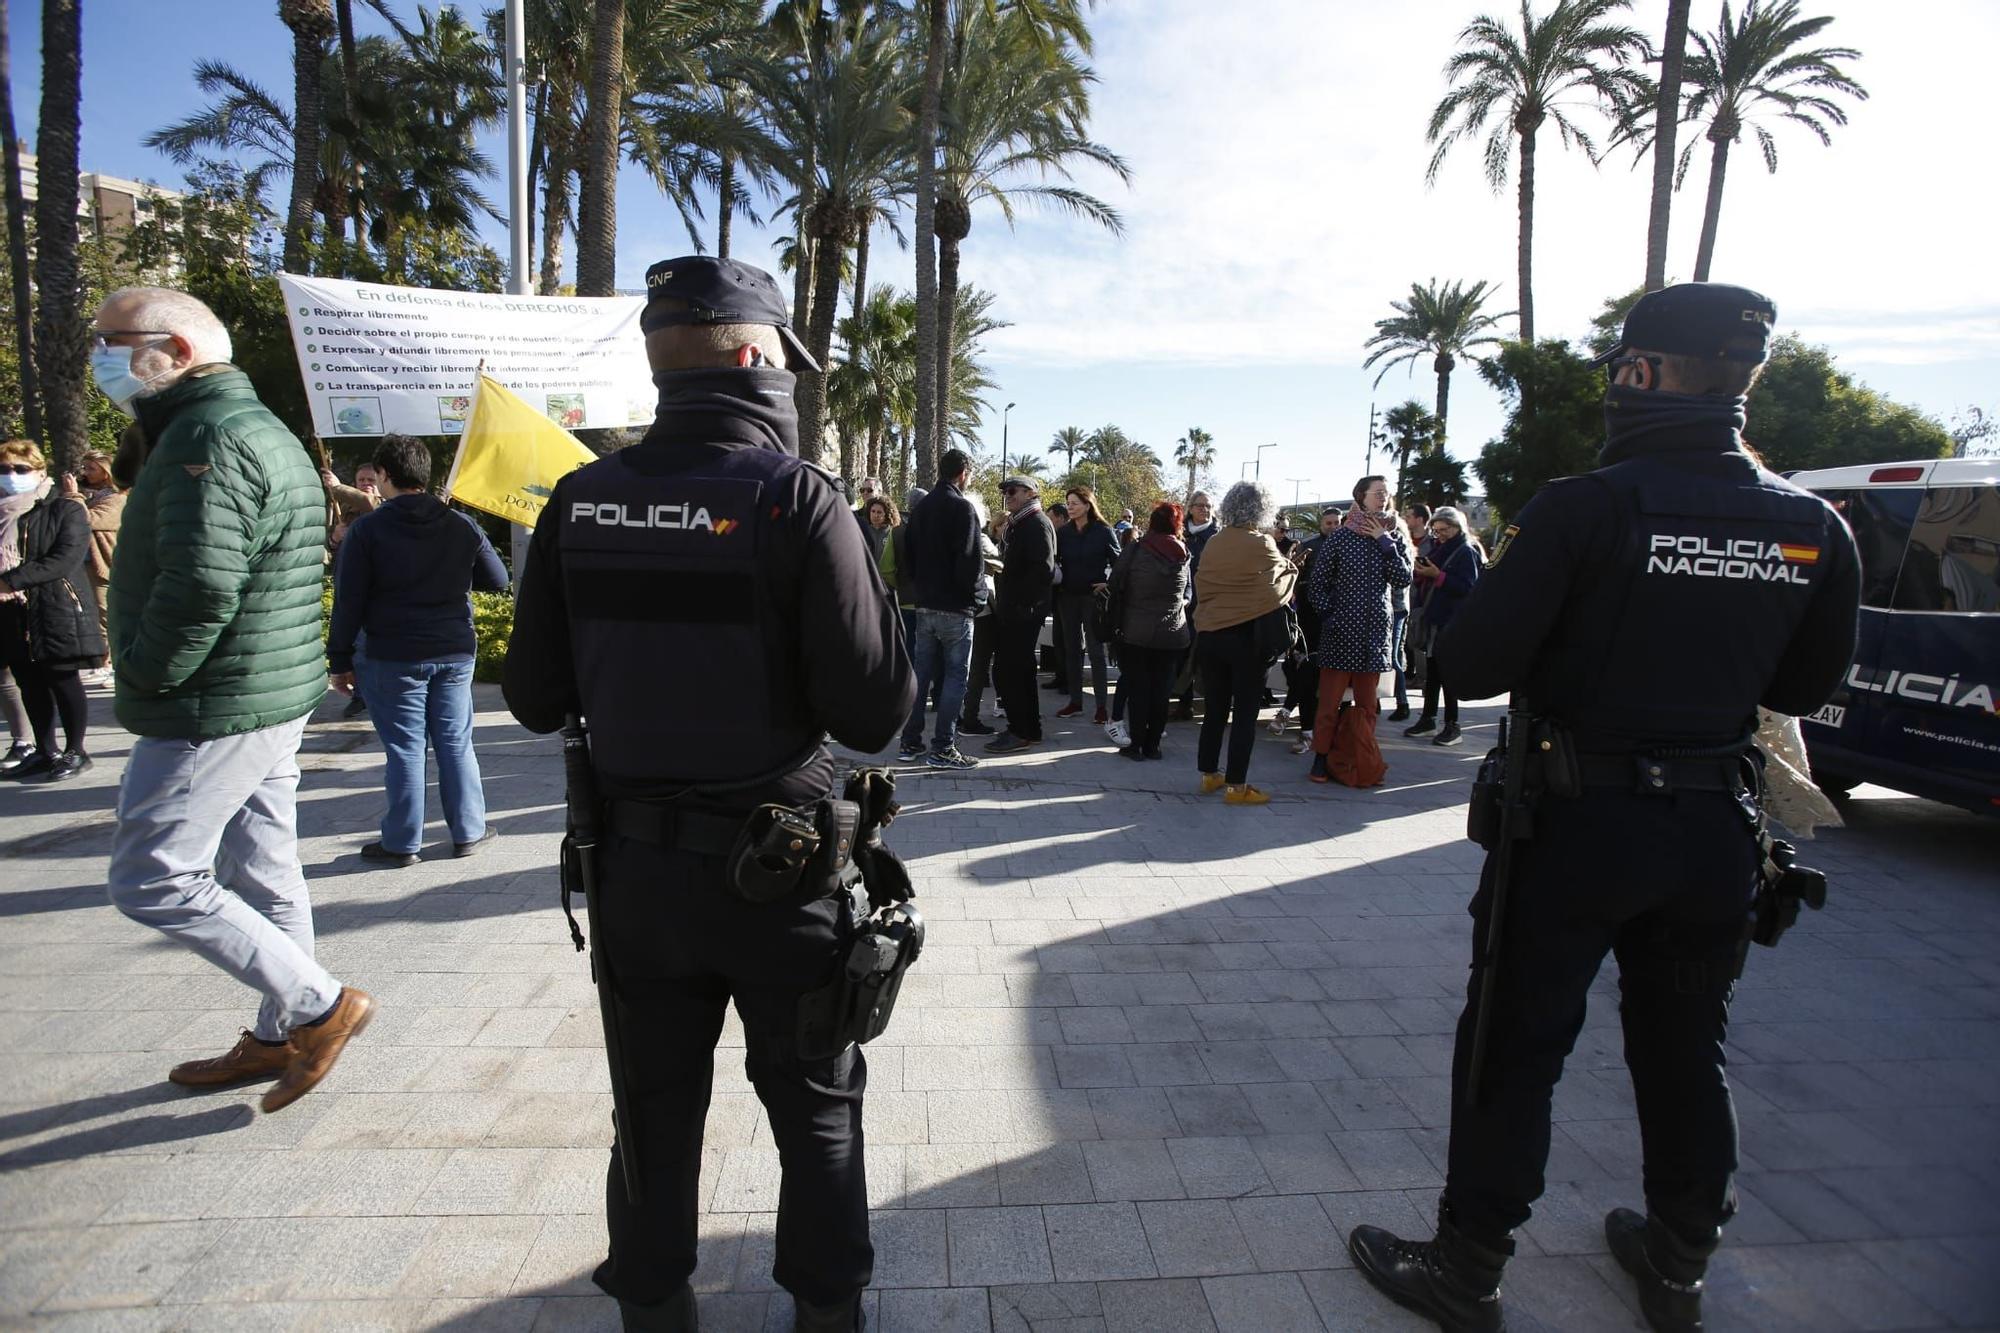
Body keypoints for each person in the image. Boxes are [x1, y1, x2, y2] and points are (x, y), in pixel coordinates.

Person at [1345, 283, 1863, 1333]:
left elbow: (1474, 660)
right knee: (1684, 1047)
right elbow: (1803, 692)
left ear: (1640, 373)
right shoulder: (1810, 526)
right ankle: (1676, 1261)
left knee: (1513, 1042)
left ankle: (1468, 1265)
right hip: (1711, 829)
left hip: (1575, 829)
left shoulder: (1587, 506)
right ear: (1743, 382)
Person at [503, 255, 913, 1333]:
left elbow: (534, 697)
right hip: (779, 872)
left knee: (649, 1114)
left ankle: (654, 1307)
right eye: (778, 355)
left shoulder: (580, 501)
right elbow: (874, 714)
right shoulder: (795, 499)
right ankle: (827, 1313)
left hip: (636, 877)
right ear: (748, 356)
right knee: (816, 1109)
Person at [93, 285, 372, 1113]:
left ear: (176, 351)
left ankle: (319, 1006)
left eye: (113, 340)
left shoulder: (208, 436)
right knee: (265, 868)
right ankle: (285, 1027)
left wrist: (142, 672)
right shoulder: (234, 426)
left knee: (152, 874)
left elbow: (201, 584)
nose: (101, 357)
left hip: (216, 697)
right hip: (262, 686)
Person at [327, 434, 509, 865]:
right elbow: (498, 579)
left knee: (406, 749)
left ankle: (401, 843)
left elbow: (348, 600)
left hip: (393, 654)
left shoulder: (368, 529)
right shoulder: (459, 524)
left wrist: (339, 660)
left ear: (385, 476)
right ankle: (469, 832)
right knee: (454, 742)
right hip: (453, 650)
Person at [0, 438, 105, 780]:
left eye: (20, 469)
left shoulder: (64, 508)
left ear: (40, 471)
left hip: (53, 605)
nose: (11, 475)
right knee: (29, 682)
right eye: (4, 469)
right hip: (10, 611)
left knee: (62, 678)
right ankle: (45, 751)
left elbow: (63, 559)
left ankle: (76, 750)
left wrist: (11, 580)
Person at [1191, 482, 1296, 804]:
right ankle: (1237, 786)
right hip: (1247, 639)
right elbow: (1279, 585)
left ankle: (1209, 775)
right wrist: (1291, 566)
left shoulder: (1213, 542)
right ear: (1262, 509)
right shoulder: (1261, 542)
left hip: (1210, 635)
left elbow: (1203, 582)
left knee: (1215, 710)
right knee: (1245, 714)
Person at [1307, 476, 1413, 788]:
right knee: (1329, 704)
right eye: (1377, 493)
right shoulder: (1340, 538)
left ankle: (1362, 758)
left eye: (1386, 493)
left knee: (1368, 706)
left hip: (1375, 633)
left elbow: (1403, 577)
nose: (1384, 497)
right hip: (1341, 632)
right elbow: (1317, 585)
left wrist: (1385, 540)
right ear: (1361, 497)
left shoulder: (1393, 536)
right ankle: (1321, 757)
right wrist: (1330, 616)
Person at [897, 448, 983, 769]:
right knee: (954, 679)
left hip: (926, 605)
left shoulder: (922, 508)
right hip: (955, 608)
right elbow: (970, 560)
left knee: (921, 675)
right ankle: (944, 746)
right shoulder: (962, 508)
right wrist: (975, 599)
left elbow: (910, 555)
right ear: (963, 472)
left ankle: (910, 740)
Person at [1107, 501, 1189, 760]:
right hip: (1173, 633)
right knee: (1162, 691)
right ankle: (1153, 746)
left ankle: (1136, 746)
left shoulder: (1136, 549)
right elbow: (1188, 592)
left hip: (1136, 632)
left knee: (1139, 689)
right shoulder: (1183, 553)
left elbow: (1115, 582)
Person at [987, 475, 1056, 753]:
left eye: (1012, 491)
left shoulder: (1036, 524)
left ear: (1030, 493)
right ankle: (1027, 728)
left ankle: (1020, 730)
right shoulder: (1021, 524)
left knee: (1008, 671)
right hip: (1016, 610)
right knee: (1019, 671)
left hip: (1022, 612)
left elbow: (1043, 570)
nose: (1007, 496)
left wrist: (1022, 604)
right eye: (1005, 491)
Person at [1404, 505, 1481, 747]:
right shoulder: (1440, 549)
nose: (1440, 534)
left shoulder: (1466, 551)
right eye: (1436, 530)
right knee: (1434, 672)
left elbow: (1468, 587)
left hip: (1451, 620)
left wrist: (1437, 575)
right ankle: (1428, 718)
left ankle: (1452, 725)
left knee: (1447, 674)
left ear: (1458, 527)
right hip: (1435, 619)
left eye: (1444, 529)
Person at [1275, 507, 1341, 753]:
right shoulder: (1309, 546)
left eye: (1336, 522)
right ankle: (1304, 729)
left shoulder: (1349, 547)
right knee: (1299, 667)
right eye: (1328, 523)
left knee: (1312, 671)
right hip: (1307, 618)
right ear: (1321, 524)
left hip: (1335, 620)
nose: (1332, 526)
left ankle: (1291, 715)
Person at [1053, 485, 1119, 723]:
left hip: (1093, 600)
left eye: (1074, 503)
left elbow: (1120, 563)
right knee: (1072, 650)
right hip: (1067, 597)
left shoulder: (1104, 531)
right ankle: (1075, 702)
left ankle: (1101, 707)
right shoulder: (1062, 533)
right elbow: (1054, 561)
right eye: (1068, 503)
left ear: (1088, 505)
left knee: (1096, 652)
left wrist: (1107, 584)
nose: (1070, 507)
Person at [323, 461, 383, 718]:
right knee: (353, 642)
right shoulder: (346, 512)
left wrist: (337, 488)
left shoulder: (381, 506)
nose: (366, 485)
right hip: (346, 581)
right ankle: (359, 694)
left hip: (373, 587)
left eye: (370, 479)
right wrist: (336, 537)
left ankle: (374, 693)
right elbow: (331, 550)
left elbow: (369, 503)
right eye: (361, 481)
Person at [62, 448, 123, 684]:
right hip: (83, 564)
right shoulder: (89, 496)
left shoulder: (117, 498)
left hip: (105, 565)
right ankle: (102, 662)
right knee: (92, 615)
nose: (85, 473)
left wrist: (73, 496)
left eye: (91, 468)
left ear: (106, 472)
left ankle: (113, 664)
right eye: (84, 468)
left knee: (107, 614)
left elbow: (88, 520)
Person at [957, 494, 1004, 737]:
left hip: (952, 608)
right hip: (981, 610)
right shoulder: (980, 539)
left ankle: (956, 715)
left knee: (955, 667)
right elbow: (1000, 564)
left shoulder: (946, 537)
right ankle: (970, 718)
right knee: (976, 667)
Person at [1172, 490, 1220, 719]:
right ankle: (1184, 702)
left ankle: (1211, 704)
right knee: (1182, 653)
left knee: (1207, 655)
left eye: (1208, 506)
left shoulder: (1217, 536)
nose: (1205, 509)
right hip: (1182, 603)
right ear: (1190, 508)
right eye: (1200, 505)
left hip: (1209, 604)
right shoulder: (1179, 533)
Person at [1392, 502, 1436, 720]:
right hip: (1398, 605)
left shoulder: (1402, 545)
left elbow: (1404, 577)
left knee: (1394, 656)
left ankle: (1403, 702)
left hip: (1400, 605)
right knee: (1395, 653)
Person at [866, 495, 902, 596]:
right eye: (873, 511)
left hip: (888, 586)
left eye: (879, 512)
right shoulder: (864, 531)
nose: (875, 515)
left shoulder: (893, 533)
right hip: (868, 582)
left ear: (887, 514)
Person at [853, 475, 885, 561]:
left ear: (880, 492)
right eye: (862, 490)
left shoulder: (889, 518)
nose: (865, 493)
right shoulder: (855, 516)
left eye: (869, 490)